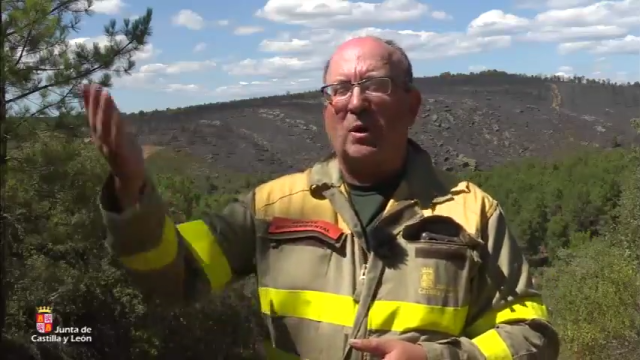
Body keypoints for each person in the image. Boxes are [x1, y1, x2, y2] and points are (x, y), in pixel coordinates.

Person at [85, 36, 560, 360]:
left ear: (412, 106)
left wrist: (441, 358)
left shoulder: (472, 213)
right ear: (327, 110)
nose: (356, 102)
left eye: (375, 85)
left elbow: (533, 335)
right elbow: (175, 276)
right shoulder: (272, 207)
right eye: (340, 90)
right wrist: (132, 190)